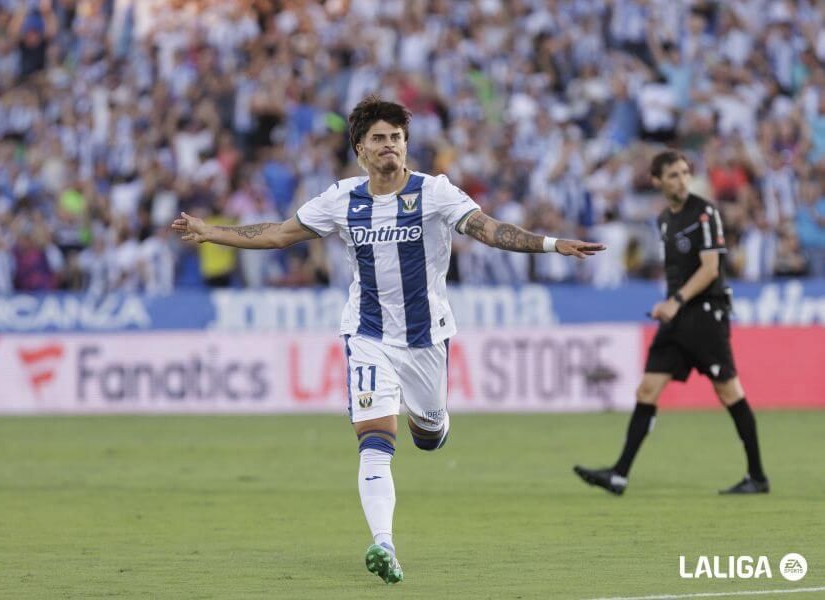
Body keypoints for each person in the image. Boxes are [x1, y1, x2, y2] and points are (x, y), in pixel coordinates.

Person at [173, 96, 606, 585]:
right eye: (379, 138)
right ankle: (384, 544)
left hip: (425, 338)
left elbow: (488, 229)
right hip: (367, 334)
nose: (389, 146)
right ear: (360, 149)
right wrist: (211, 232)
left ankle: (435, 422)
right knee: (375, 440)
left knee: (429, 436)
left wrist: (551, 244)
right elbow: (277, 234)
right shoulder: (341, 199)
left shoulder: (435, 192)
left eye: (396, 138)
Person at [573, 150, 769, 496]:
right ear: (657, 181)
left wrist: (675, 301)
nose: (682, 181)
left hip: (705, 314)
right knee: (647, 390)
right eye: (673, 175)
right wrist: (672, 303)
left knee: (728, 391)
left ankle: (757, 476)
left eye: (684, 173)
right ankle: (619, 475)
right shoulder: (664, 219)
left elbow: (710, 269)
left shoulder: (704, 213)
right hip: (676, 318)